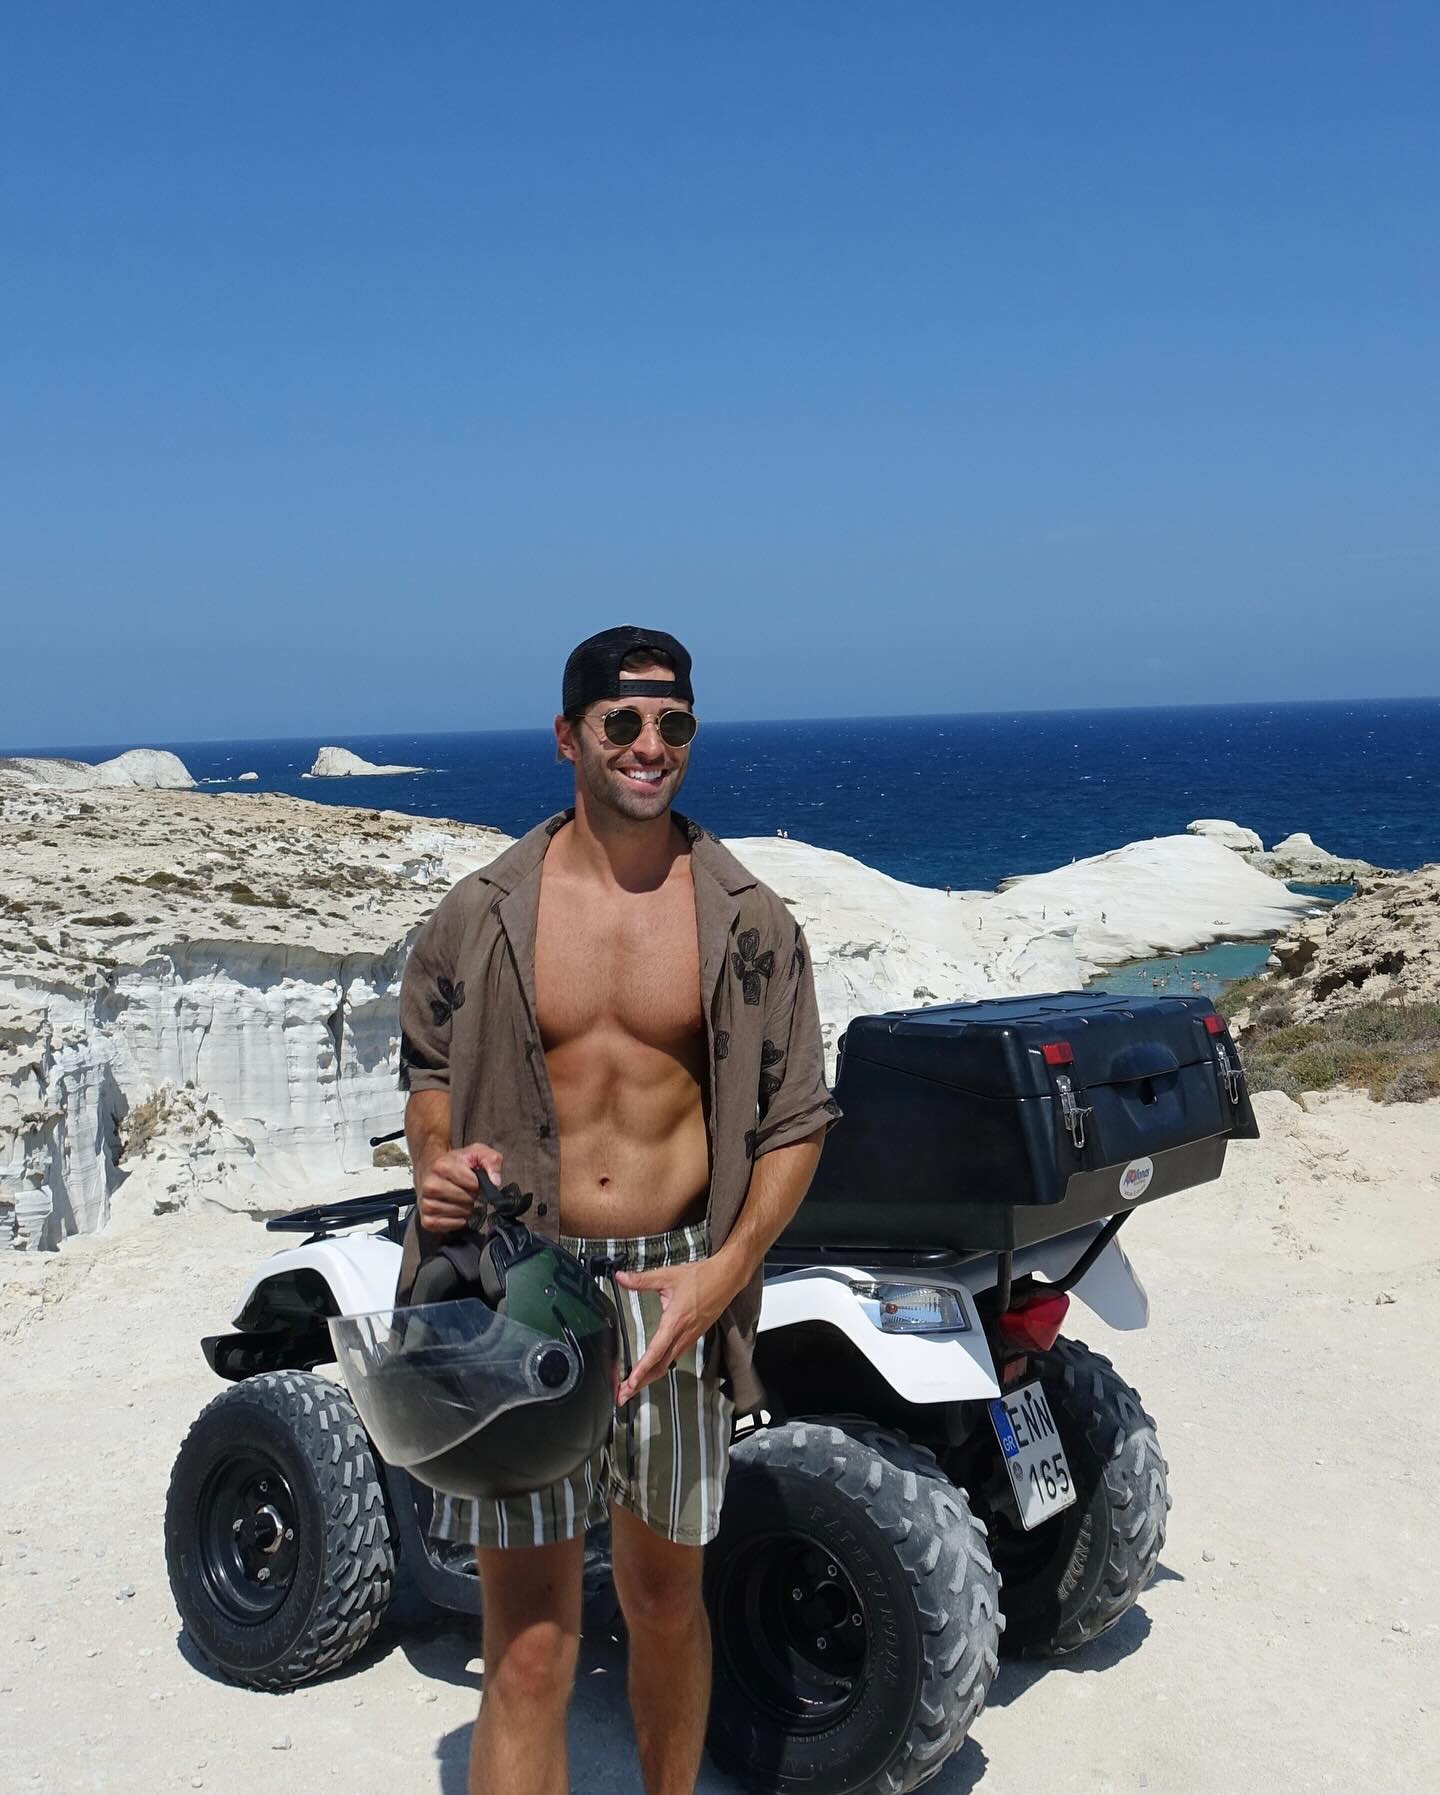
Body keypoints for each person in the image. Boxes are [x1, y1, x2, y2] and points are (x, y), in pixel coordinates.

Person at [395, 625, 839, 1795]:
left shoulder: (748, 920)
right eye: (624, 722)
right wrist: (436, 1159)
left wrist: (722, 1275)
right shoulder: (485, 911)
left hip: (674, 1291)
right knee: (530, 1644)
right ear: (568, 736)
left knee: (664, 1604)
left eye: (674, 723)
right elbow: (427, 1062)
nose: (652, 745)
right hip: (525, 1291)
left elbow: (797, 1119)